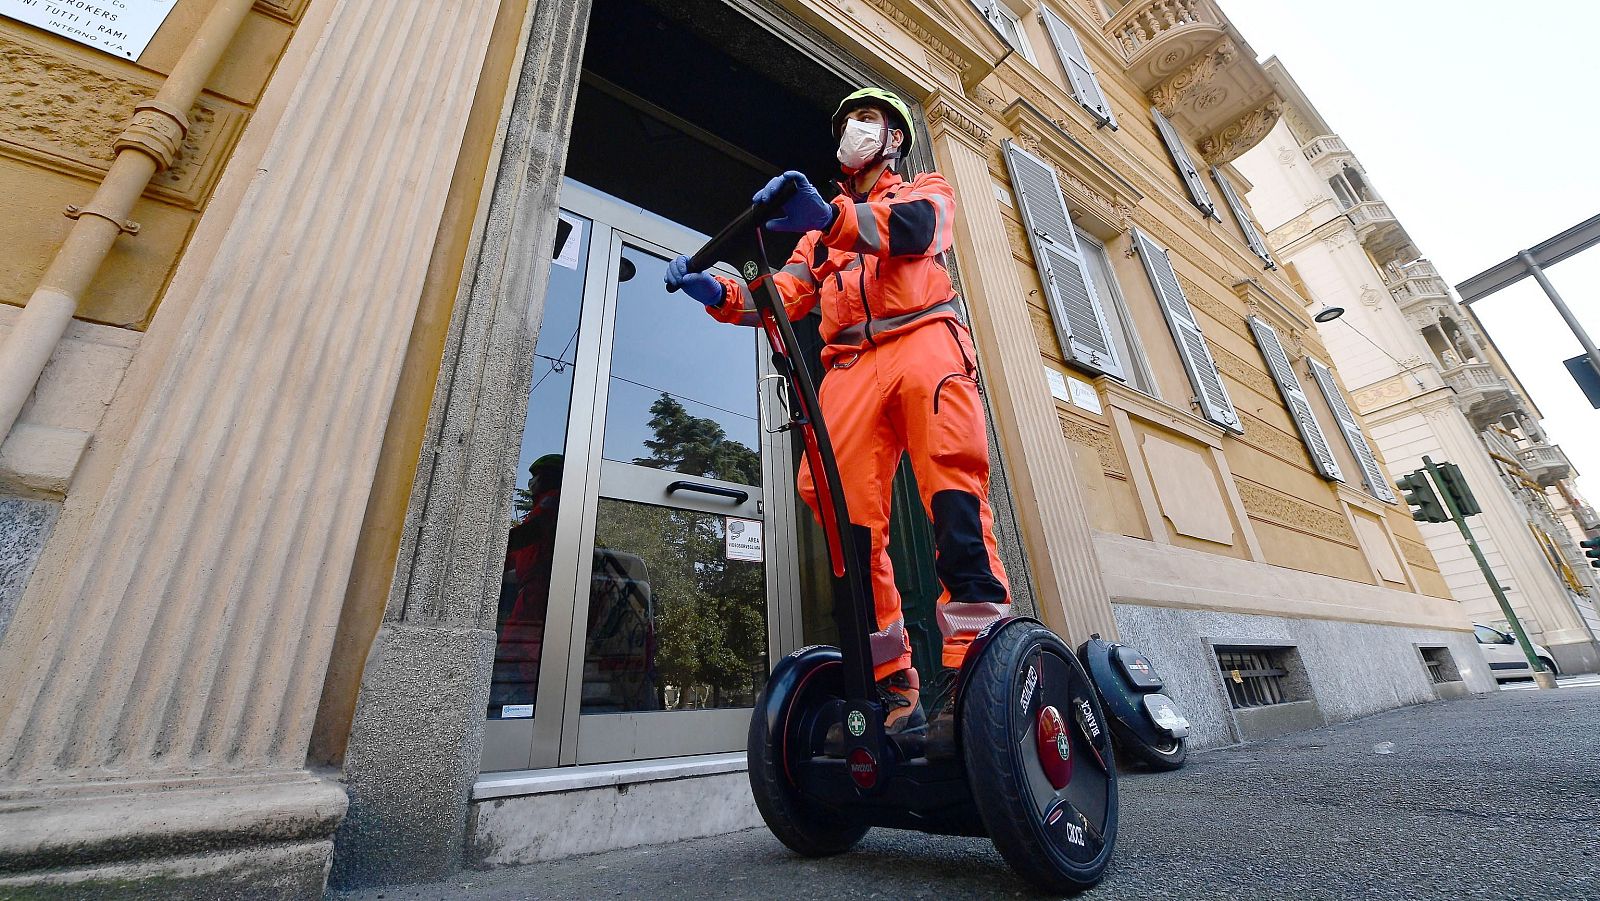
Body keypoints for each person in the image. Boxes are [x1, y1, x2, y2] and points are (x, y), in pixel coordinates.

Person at [663, 88, 1011, 736]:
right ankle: (891, 683)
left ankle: (978, 671)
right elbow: (785, 294)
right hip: (851, 364)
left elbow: (917, 231)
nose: (852, 129)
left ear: (895, 138)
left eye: (867, 119)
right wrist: (718, 289)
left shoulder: (925, 189)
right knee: (839, 511)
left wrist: (833, 216)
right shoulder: (823, 232)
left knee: (955, 497)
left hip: (925, 339)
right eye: (845, 122)